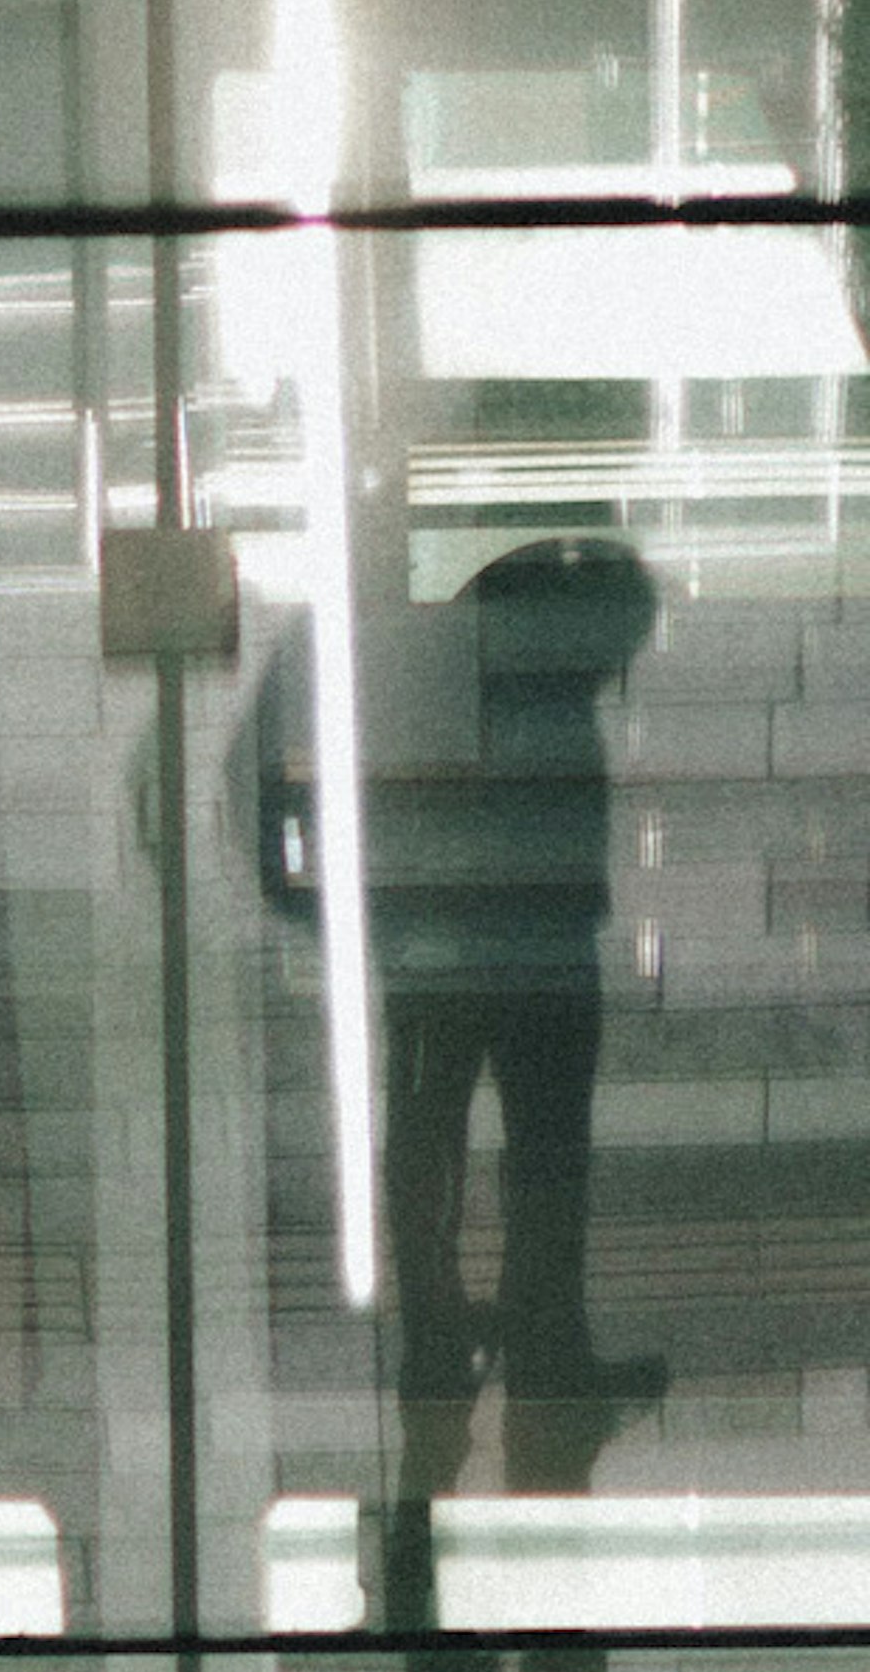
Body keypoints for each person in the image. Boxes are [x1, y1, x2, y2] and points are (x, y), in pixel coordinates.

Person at [247, 529, 665, 1468]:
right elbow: (269, 783)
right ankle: (538, 1357)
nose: (609, 673)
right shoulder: (468, 663)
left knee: (433, 1143)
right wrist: (334, 914)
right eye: (612, 653)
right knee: (542, 1160)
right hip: (536, 957)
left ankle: (446, 1346)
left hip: (443, 956)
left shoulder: (412, 657)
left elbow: (263, 785)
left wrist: (334, 916)